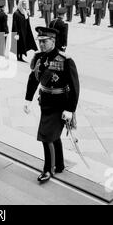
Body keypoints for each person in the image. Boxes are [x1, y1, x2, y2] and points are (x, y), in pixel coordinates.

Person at [24, 27, 80, 184]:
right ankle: (60, 164)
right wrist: (28, 99)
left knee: (46, 136)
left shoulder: (65, 60)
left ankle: (48, 169)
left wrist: (70, 109)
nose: (41, 45)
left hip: (60, 105)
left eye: (44, 41)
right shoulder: (40, 58)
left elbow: (75, 87)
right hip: (45, 103)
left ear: (53, 41)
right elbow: (33, 79)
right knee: (53, 136)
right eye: (39, 42)